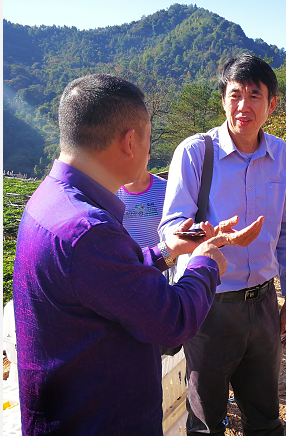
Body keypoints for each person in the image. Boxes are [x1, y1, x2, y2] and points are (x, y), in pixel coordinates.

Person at [12, 73, 263, 436]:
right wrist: (207, 261)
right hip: (100, 420)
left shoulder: (52, 200)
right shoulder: (88, 231)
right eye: (147, 138)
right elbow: (172, 321)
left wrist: (168, 249)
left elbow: (107, 281)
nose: (149, 151)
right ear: (130, 141)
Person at [159, 53, 286, 436]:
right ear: (223, 98)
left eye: (255, 96)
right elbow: (171, 230)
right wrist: (209, 236)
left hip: (264, 304)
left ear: (271, 103)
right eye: (235, 94)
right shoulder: (195, 153)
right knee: (207, 421)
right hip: (209, 307)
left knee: (265, 415)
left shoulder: (282, 155)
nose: (244, 106)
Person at [116, 153, 167, 248]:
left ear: (148, 156)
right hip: (127, 260)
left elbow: (172, 234)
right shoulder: (113, 191)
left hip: (162, 257)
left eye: (138, 155)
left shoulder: (166, 188)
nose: (133, 160)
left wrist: (168, 261)